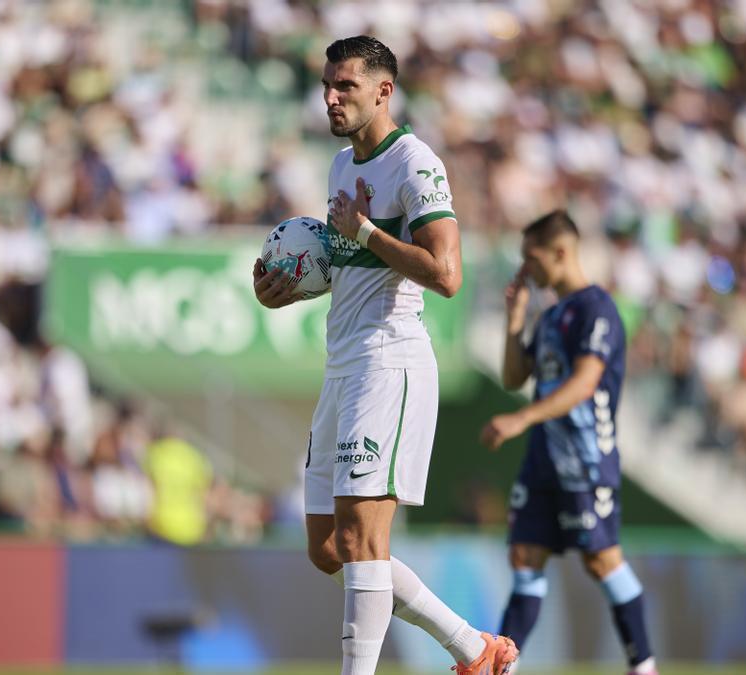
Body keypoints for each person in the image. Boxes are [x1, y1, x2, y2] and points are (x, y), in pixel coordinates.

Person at [253, 35, 518, 675]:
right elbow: (351, 266)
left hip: (388, 362)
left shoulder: (414, 163)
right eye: (327, 84)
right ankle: (474, 648)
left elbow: (447, 273)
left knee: (364, 542)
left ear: (383, 90)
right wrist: (289, 291)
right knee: (327, 547)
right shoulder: (342, 166)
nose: (331, 97)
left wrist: (367, 231)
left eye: (345, 85)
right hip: (342, 364)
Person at [481, 210, 656, 675]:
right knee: (524, 557)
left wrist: (521, 419)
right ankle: (502, 668)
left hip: (585, 459)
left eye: (531, 257)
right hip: (544, 460)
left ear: (560, 252)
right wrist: (515, 318)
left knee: (601, 562)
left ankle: (645, 667)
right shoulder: (552, 313)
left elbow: (584, 384)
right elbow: (515, 375)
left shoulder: (596, 308)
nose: (525, 269)